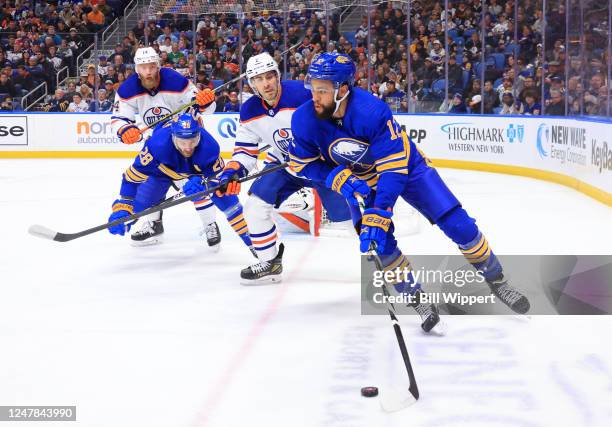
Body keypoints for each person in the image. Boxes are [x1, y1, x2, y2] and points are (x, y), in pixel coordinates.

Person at [288, 53, 530, 332]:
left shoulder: (371, 111)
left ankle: (497, 280)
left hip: (407, 168)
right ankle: (417, 298)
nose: (314, 96)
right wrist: (334, 176)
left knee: (459, 225)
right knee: (381, 244)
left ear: (342, 89)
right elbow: (303, 164)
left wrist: (380, 211)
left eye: (322, 90)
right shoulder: (304, 119)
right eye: (312, 88)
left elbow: (393, 171)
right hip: (360, 182)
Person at [205, 53, 352, 284]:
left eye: (269, 76)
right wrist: (230, 174)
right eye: (259, 79)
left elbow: (339, 121)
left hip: (322, 164)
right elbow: (245, 152)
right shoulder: (249, 111)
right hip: (285, 164)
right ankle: (270, 262)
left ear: (277, 75)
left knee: (349, 221)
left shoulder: (303, 94)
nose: (266, 83)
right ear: (252, 84)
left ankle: (384, 264)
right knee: (255, 206)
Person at [111, 47, 218, 241]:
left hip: (185, 141)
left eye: (152, 66)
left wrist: (205, 103)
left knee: (194, 185)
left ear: (158, 66)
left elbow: (202, 106)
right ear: (137, 69)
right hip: (157, 144)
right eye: (144, 67)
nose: (149, 72)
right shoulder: (127, 89)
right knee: (149, 183)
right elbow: (118, 117)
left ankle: (210, 224)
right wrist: (125, 130)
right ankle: (154, 224)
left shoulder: (176, 81)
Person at [108, 112, 254, 252]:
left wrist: (205, 184)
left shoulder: (209, 147)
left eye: (192, 141)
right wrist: (123, 207)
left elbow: (220, 183)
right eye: (182, 142)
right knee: (138, 205)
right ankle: (147, 225)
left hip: (193, 173)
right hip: (161, 174)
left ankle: (253, 243)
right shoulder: (156, 146)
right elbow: (130, 179)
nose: (188, 147)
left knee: (226, 200)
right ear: (173, 137)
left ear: (199, 135)